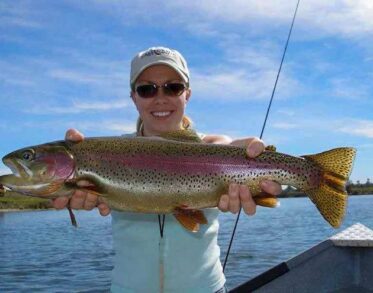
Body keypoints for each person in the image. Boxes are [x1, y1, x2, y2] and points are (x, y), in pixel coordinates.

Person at [52, 47, 282, 293]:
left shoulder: (210, 146)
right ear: (134, 97)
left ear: (188, 94)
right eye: (147, 89)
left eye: (173, 87)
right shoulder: (106, 153)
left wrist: (251, 157)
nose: (160, 98)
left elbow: (223, 146)